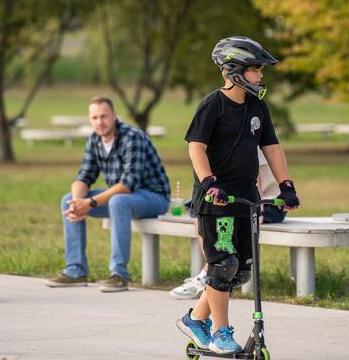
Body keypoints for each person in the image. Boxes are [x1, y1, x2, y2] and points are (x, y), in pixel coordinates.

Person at [176, 36, 300, 354]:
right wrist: (209, 183)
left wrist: (286, 185)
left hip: (245, 198)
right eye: (255, 70)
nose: (260, 76)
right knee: (222, 265)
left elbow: (271, 147)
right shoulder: (212, 105)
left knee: (241, 269)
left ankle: (194, 319)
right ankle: (220, 332)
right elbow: (196, 148)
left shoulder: (258, 106)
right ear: (233, 71)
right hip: (216, 200)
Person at [45, 96, 171, 293]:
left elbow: (128, 185)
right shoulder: (95, 140)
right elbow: (83, 177)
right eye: (94, 118)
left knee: (119, 201)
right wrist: (78, 202)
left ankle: (119, 275)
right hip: (124, 197)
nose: (99, 122)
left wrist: (91, 202)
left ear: (114, 116)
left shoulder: (132, 137)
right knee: (67, 200)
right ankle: (75, 270)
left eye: (103, 116)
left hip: (154, 198)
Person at [169, 148, 284, 300]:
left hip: (267, 203)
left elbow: (255, 177)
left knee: (223, 264)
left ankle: (209, 274)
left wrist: (258, 210)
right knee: (202, 218)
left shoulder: (245, 133)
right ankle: (211, 277)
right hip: (236, 197)